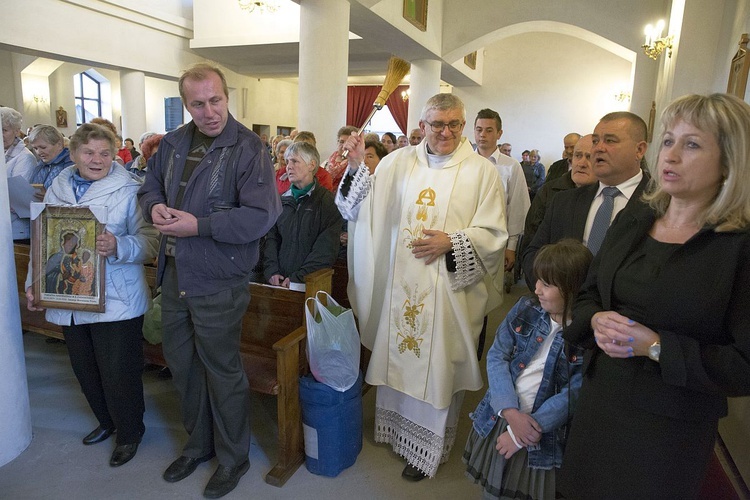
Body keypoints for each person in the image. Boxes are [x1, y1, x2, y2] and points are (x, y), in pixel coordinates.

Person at [557, 93, 750, 499]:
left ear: (731, 160)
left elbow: (743, 364)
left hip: (669, 426)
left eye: (692, 144)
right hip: (600, 401)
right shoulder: (638, 218)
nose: (671, 156)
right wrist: (593, 320)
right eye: (668, 141)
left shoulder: (737, 246)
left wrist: (658, 347)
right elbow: (590, 292)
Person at [336, 93, 507, 481]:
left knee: (439, 367)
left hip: (448, 290)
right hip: (400, 286)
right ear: (422, 126)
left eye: (454, 124)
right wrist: (355, 164)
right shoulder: (399, 162)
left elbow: (494, 233)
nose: (445, 132)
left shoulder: (482, 172)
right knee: (400, 355)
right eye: (437, 124)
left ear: (463, 125)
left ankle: (427, 449)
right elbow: (357, 210)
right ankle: (398, 434)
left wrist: (453, 241)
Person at [138, 62, 281, 498]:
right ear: (186, 105)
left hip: (219, 278)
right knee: (182, 367)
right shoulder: (174, 143)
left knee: (222, 371)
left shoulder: (249, 146)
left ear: (227, 96)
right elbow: (148, 188)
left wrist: (197, 226)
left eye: (215, 100)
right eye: (197, 104)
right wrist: (155, 208)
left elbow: (261, 216)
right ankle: (199, 445)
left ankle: (233, 458)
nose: (209, 111)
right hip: (175, 274)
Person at [25, 123, 158, 468]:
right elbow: (45, 237)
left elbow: (151, 239)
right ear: (73, 154)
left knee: (119, 372)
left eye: (104, 153)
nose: (96, 159)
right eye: (88, 152)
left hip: (117, 298)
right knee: (85, 368)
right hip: (70, 297)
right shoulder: (59, 184)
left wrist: (119, 245)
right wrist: (34, 282)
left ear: (114, 155)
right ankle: (106, 421)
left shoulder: (131, 189)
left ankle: (130, 433)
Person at [464, 239, 591, 499]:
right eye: (538, 280)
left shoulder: (585, 335)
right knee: (493, 486)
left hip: (540, 431)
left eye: (547, 283)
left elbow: (575, 392)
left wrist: (524, 432)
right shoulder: (526, 309)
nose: (537, 288)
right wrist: (510, 413)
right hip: (503, 415)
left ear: (572, 288)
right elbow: (497, 354)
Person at [521, 112, 650, 288]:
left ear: (639, 150)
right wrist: (552, 291)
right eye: (596, 141)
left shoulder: (661, 205)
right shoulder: (563, 201)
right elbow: (532, 254)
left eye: (610, 140)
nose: (598, 148)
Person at [263, 141, 342, 288]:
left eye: (295, 161)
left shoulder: (327, 203)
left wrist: (298, 278)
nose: (289, 166)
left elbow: (325, 250)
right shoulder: (281, 201)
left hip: (309, 284)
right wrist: (271, 271)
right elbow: (272, 240)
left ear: (312, 165)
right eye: (287, 162)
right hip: (278, 282)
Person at [519, 134, 596, 269]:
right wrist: (540, 280)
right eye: (577, 155)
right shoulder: (552, 191)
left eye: (589, 157)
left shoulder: (605, 198)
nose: (582, 163)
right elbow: (532, 236)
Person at [473, 108, 530, 274]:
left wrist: (511, 247)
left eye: (489, 130)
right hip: (466, 239)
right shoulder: (465, 163)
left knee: (492, 293)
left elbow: (517, 208)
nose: (482, 134)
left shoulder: (511, 166)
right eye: (479, 130)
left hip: (496, 241)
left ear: (499, 133)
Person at [2, 106, 37, 240]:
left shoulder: (25, 157)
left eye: (4, 130)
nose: (0, 134)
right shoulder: (3, 153)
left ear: (17, 131)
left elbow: (18, 198)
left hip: (16, 228)